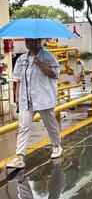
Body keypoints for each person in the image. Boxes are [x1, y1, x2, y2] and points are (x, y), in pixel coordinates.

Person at [7, 39, 63, 170]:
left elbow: (55, 74)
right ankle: (19, 157)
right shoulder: (21, 59)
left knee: (51, 125)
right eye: (27, 41)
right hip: (26, 100)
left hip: (44, 98)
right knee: (23, 127)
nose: (29, 44)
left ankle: (57, 146)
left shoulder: (48, 57)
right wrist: (17, 99)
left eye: (32, 41)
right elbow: (18, 80)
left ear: (39, 42)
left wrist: (40, 64)